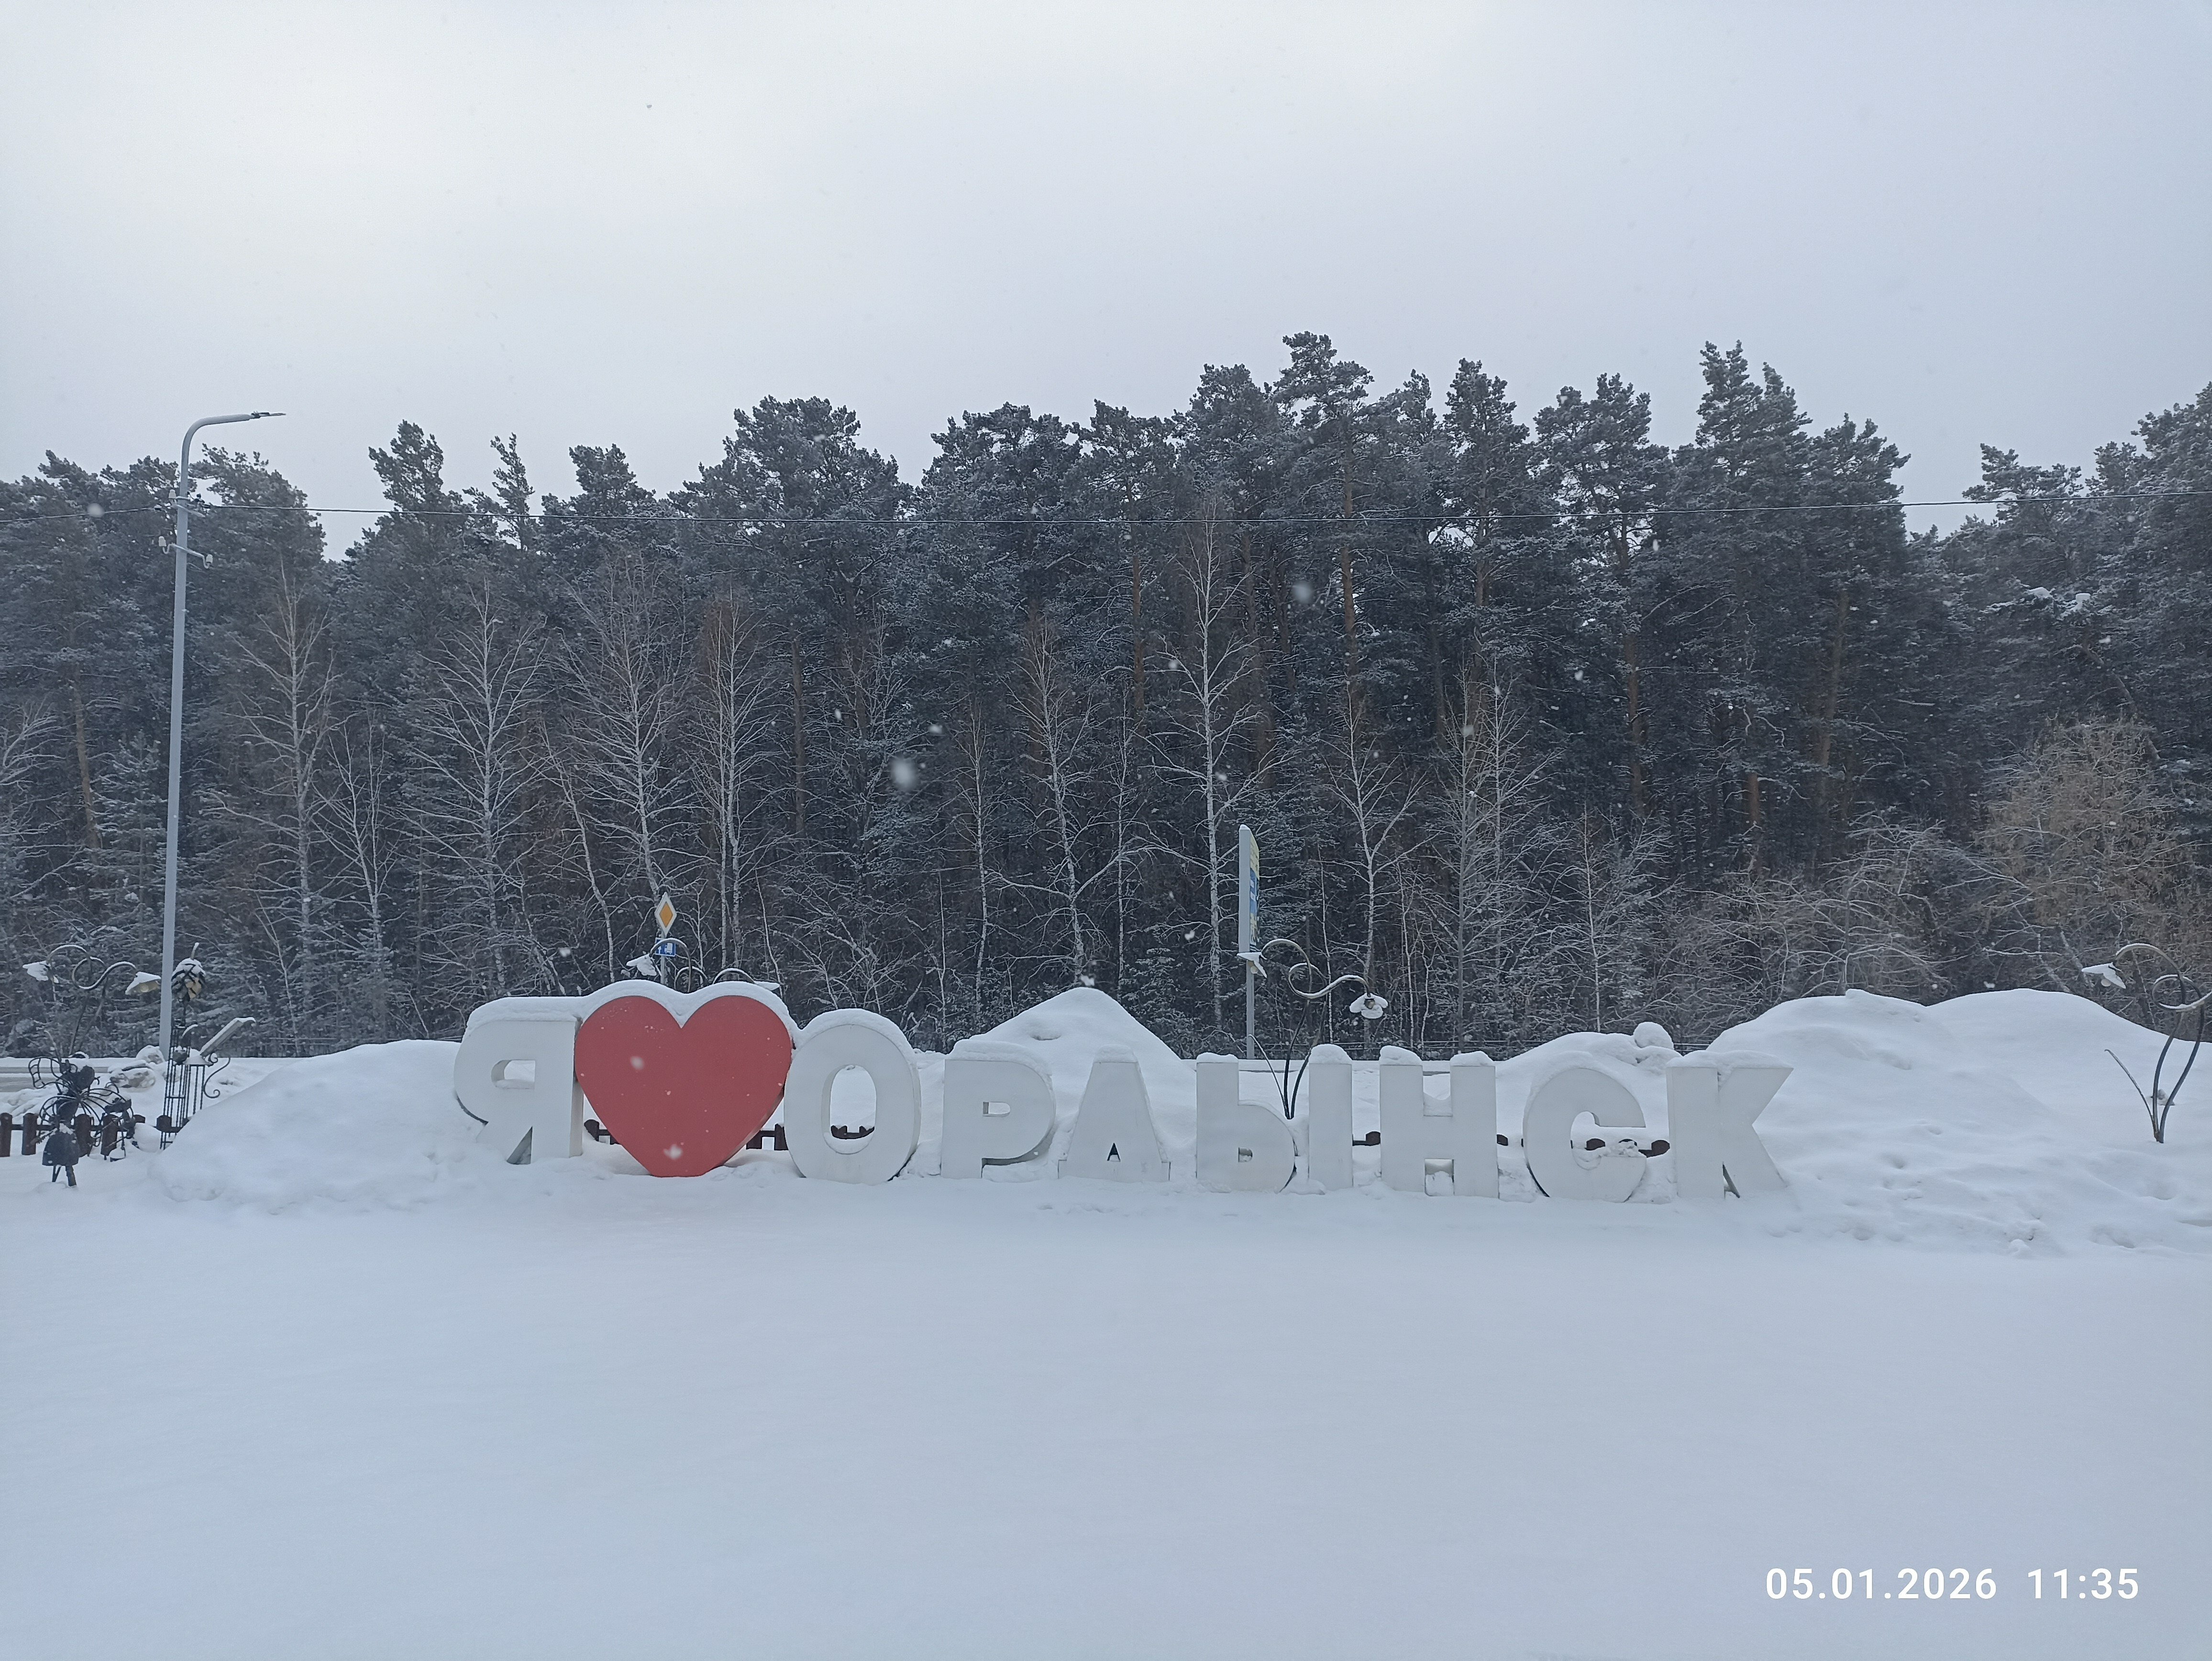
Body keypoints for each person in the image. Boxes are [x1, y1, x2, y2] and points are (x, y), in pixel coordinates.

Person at [42, 1117, 79, 1186]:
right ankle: (71, 1185)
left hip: (63, 1138)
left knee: (65, 1164)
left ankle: (69, 1185)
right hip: (64, 1138)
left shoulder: (63, 1133)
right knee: (67, 1164)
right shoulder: (66, 1133)